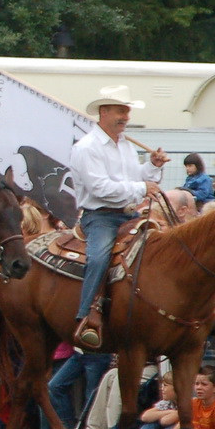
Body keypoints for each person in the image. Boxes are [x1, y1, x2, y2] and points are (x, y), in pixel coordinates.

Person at [67, 86, 169, 350]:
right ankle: (86, 315)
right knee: (99, 256)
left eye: (127, 111)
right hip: (99, 217)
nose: (126, 116)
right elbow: (99, 188)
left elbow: (135, 176)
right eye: (121, 111)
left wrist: (152, 167)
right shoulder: (87, 148)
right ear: (104, 112)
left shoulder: (124, 145)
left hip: (129, 214)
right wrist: (141, 188)